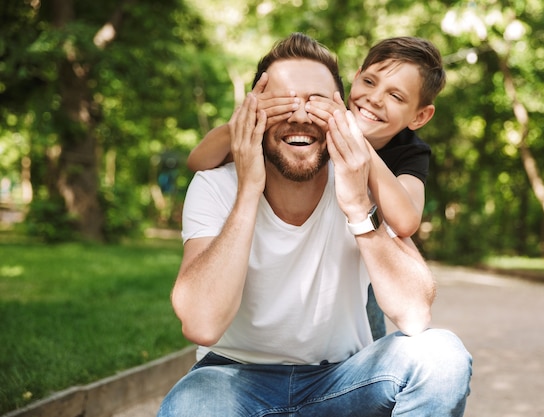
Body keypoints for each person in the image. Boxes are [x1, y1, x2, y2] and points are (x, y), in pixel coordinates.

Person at [158, 33, 471, 416]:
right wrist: (248, 191)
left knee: (441, 356)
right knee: (193, 405)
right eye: (282, 103)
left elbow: (416, 315)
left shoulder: (365, 178)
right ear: (255, 111)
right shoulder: (217, 184)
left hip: (343, 380)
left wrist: (358, 207)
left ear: (338, 114)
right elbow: (201, 324)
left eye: (316, 103)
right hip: (232, 379)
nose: (300, 115)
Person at [186, 36, 445, 340]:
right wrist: (244, 121)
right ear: (357, 76)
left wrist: (355, 145)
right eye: (370, 82)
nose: (374, 98)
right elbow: (198, 161)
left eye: (396, 96)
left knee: (370, 319)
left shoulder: (408, 152)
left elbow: (406, 221)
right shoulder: (291, 138)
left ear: (420, 116)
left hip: (369, 246)